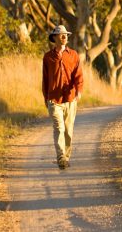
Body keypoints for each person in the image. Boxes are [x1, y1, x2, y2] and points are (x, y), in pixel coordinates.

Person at [42, 25, 83, 170]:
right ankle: (60, 158)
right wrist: (46, 98)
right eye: (61, 34)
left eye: (66, 34)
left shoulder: (73, 54)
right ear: (54, 38)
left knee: (68, 130)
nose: (64, 36)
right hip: (54, 99)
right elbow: (45, 79)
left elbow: (78, 75)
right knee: (58, 128)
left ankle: (66, 156)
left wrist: (78, 90)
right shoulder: (48, 57)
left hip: (70, 98)